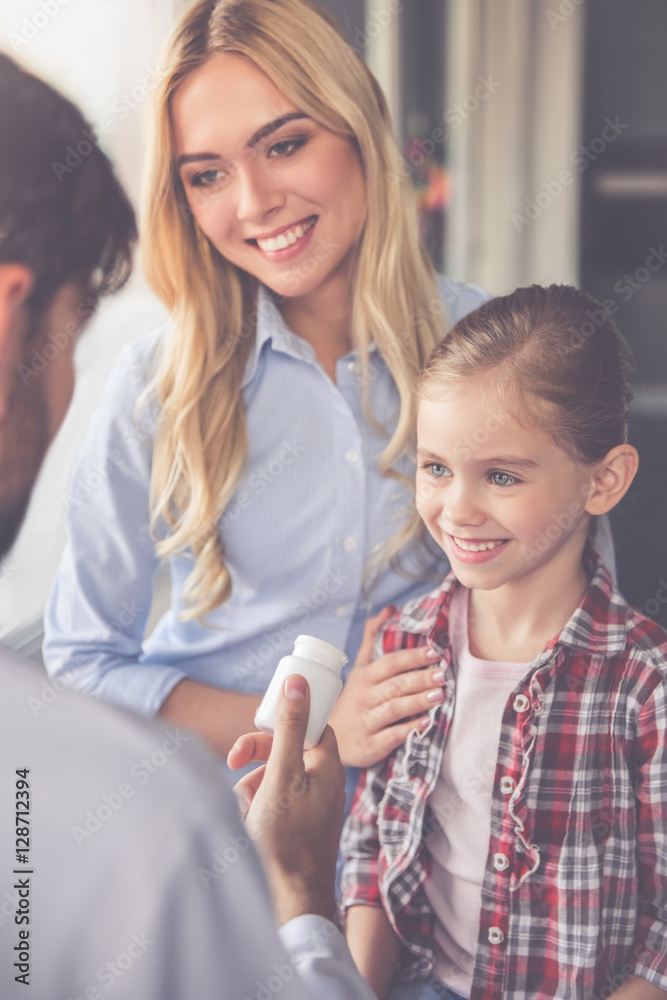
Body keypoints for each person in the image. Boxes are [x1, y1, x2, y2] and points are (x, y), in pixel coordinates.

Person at [0, 50, 377, 1000]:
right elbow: (84, 658)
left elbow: (574, 631)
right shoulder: (150, 387)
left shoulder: (495, 348)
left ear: (360, 131)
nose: (251, 202)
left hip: (457, 883)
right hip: (235, 882)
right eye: (204, 174)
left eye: (283, 143)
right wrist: (310, 724)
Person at [340, 285, 667, 1000]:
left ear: (602, 480)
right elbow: (374, 855)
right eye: (435, 468)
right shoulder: (404, 646)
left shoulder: (645, 688)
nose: (455, 509)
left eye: (500, 476)